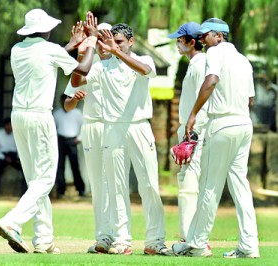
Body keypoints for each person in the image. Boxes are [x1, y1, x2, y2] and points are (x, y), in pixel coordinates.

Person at [0, 8, 98, 254]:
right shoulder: (50, 50)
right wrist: (90, 42)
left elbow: (43, 59)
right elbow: (82, 70)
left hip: (18, 116)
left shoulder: (17, 49)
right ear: (46, 29)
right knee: (46, 178)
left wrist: (70, 45)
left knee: (35, 180)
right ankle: (12, 221)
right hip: (39, 116)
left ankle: (43, 239)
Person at [71, 23, 171, 256]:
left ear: (130, 41)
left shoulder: (142, 59)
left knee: (149, 185)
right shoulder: (101, 66)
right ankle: (122, 239)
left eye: (119, 42)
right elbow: (76, 81)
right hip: (112, 129)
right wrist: (88, 46)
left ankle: (155, 241)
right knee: (116, 187)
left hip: (138, 127)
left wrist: (115, 52)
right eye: (111, 41)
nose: (114, 45)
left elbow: (146, 71)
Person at [172, 18, 260, 258]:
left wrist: (192, 115)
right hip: (244, 123)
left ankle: (197, 244)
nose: (201, 39)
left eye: (205, 35)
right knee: (240, 187)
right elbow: (251, 99)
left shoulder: (215, 52)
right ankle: (249, 246)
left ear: (219, 36)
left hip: (221, 124)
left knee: (209, 186)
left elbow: (211, 81)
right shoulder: (244, 60)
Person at [64, 22, 114, 254]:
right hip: (93, 126)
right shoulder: (86, 65)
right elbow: (67, 103)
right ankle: (102, 237)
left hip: (115, 127)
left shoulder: (120, 62)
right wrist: (76, 100)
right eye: (97, 36)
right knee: (97, 183)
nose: (100, 40)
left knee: (115, 182)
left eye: (105, 36)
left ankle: (119, 236)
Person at [168, 23, 208, 243]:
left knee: (189, 184)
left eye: (180, 40)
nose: (176, 43)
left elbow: (206, 98)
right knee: (188, 181)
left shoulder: (199, 64)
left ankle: (190, 237)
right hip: (190, 129)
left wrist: (192, 133)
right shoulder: (195, 64)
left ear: (192, 42)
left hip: (194, 130)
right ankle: (191, 235)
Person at [53, 94, 85, 198]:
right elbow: (53, 129)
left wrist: (79, 138)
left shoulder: (77, 113)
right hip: (61, 140)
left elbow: (84, 126)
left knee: (75, 165)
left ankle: (80, 189)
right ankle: (61, 190)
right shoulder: (57, 114)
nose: (64, 104)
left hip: (73, 140)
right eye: (62, 101)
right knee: (60, 166)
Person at [0, 117, 26, 196]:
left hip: (14, 156)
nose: (9, 127)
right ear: (5, 126)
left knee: (25, 168)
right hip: (2, 156)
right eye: (8, 125)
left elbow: (20, 148)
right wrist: (4, 158)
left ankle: (24, 191)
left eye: (11, 125)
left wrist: (18, 158)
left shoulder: (17, 135)